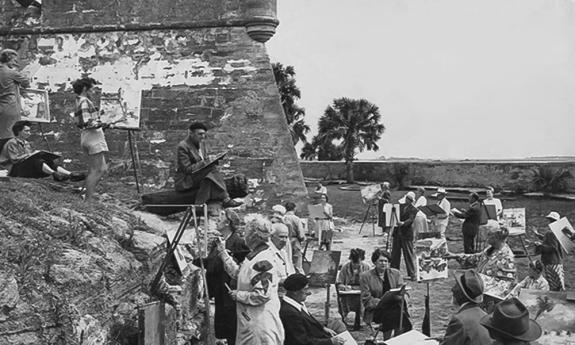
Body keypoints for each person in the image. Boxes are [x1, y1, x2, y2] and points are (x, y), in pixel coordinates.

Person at [216, 214, 284, 345]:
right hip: (250, 320)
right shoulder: (254, 256)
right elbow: (239, 274)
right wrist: (223, 253)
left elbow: (263, 294)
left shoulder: (263, 260)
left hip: (260, 324)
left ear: (254, 236)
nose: (243, 235)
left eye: (246, 231)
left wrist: (238, 295)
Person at [203, 209, 249, 345]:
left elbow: (243, 269)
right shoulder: (218, 242)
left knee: (233, 329)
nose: (217, 221)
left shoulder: (238, 242)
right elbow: (210, 263)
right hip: (220, 293)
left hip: (231, 293)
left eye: (220, 218)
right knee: (225, 330)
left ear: (228, 223)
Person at [174, 121, 242, 208]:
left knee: (209, 180)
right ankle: (226, 198)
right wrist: (206, 162)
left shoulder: (202, 144)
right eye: (200, 134)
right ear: (191, 133)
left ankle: (198, 206)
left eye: (204, 134)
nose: (203, 136)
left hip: (200, 176)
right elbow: (187, 169)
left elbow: (204, 163)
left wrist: (214, 159)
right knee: (212, 170)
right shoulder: (183, 146)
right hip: (186, 179)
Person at [0, 121, 83, 181]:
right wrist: (30, 155)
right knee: (37, 161)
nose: (29, 133)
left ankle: (70, 174)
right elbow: (15, 159)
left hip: (24, 167)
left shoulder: (26, 143)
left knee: (48, 160)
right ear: (18, 131)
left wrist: (34, 154)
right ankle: (54, 174)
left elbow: (28, 156)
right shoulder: (12, 143)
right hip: (13, 170)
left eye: (29, 131)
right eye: (26, 131)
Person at [279, 273, 347, 345]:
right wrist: (330, 341)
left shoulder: (296, 303)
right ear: (295, 292)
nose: (309, 293)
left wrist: (323, 328)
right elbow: (301, 341)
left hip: (316, 335)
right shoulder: (290, 313)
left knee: (338, 325)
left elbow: (310, 319)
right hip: (314, 340)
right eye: (305, 289)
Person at [72, 77, 110, 202]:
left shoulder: (80, 101)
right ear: (85, 88)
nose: (94, 91)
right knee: (96, 170)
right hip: (92, 137)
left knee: (102, 169)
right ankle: (88, 200)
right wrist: (103, 124)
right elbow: (87, 123)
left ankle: (89, 196)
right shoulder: (84, 101)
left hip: (89, 136)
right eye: (92, 89)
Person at [360, 248, 411, 340]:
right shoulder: (366, 276)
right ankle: (389, 340)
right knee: (392, 314)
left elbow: (403, 290)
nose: (383, 263)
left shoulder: (395, 273)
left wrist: (401, 294)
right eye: (381, 261)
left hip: (396, 305)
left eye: (386, 261)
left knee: (399, 313)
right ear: (375, 262)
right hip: (376, 309)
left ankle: (397, 339)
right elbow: (366, 298)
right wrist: (381, 302)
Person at [441, 269, 492, 345]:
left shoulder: (459, 320)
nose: (452, 289)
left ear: (458, 294)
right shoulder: (485, 316)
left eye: (455, 287)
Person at [450, 223, 516, 281]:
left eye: (489, 235)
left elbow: (507, 281)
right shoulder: (490, 249)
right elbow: (476, 258)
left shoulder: (507, 258)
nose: (486, 238)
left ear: (496, 238)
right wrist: (455, 256)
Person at [336, 248, 370, 330]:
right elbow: (339, 282)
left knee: (362, 302)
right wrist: (342, 286)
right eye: (354, 262)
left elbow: (370, 284)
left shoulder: (366, 267)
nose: (355, 265)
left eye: (358, 263)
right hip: (348, 294)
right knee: (344, 302)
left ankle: (360, 321)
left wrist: (356, 287)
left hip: (362, 293)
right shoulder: (345, 267)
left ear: (362, 260)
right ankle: (346, 321)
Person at [0, 49, 30, 139]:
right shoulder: (11, 72)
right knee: (12, 135)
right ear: (9, 58)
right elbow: (26, 82)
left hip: (1, 106)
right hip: (11, 107)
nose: (14, 63)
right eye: (14, 60)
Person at [533, 211, 564, 291]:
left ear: (551, 220)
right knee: (559, 282)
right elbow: (549, 240)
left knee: (554, 284)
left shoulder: (551, 233)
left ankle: (556, 299)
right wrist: (538, 235)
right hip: (557, 261)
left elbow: (553, 247)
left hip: (551, 261)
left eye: (549, 220)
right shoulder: (557, 231)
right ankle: (560, 296)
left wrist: (540, 245)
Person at [391, 191, 418, 280]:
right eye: (407, 198)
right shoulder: (400, 207)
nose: (407, 200)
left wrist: (403, 223)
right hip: (397, 233)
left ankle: (412, 274)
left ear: (412, 201)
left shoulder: (413, 209)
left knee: (408, 254)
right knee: (395, 254)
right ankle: (394, 272)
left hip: (406, 234)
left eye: (409, 199)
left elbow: (411, 219)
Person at [283, 201, 306, 274]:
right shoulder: (296, 219)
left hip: (285, 241)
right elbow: (301, 234)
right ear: (294, 209)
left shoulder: (282, 218)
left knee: (286, 260)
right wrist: (302, 239)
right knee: (298, 263)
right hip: (295, 240)